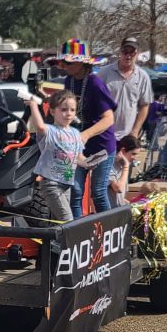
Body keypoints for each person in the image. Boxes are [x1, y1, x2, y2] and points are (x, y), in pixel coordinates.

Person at [57, 38, 117, 218]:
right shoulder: (68, 81)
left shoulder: (95, 83)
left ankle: (108, 231)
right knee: (75, 192)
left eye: (68, 61)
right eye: (63, 61)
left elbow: (109, 119)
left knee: (98, 193)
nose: (64, 65)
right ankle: (78, 235)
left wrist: (85, 134)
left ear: (81, 63)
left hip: (101, 146)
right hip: (78, 146)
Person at [21, 90, 85, 222]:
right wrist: (33, 105)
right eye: (63, 110)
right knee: (67, 221)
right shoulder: (50, 131)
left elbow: (79, 158)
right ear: (52, 112)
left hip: (66, 183)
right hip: (51, 183)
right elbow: (39, 126)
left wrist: (91, 162)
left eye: (72, 110)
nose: (68, 113)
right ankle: (64, 243)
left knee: (58, 222)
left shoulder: (75, 133)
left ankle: (53, 243)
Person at [100, 37, 152, 141]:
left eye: (132, 52)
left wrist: (135, 132)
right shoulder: (104, 73)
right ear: (120, 52)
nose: (128, 56)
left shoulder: (143, 77)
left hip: (127, 137)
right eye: (125, 51)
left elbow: (145, 105)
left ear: (137, 54)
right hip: (104, 134)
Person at [108, 135, 142, 208]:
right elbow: (119, 188)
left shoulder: (122, 165)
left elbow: (120, 197)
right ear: (123, 151)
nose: (135, 158)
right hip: (108, 212)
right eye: (133, 154)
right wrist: (126, 165)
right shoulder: (109, 165)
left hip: (118, 210)